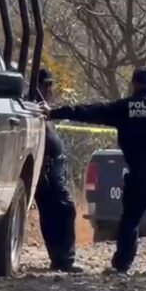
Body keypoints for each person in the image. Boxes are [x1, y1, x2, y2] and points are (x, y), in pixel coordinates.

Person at [46, 67, 146, 275]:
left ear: (134, 85)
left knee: (130, 219)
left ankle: (122, 264)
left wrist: (55, 113)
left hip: (138, 172)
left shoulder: (124, 107)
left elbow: (88, 111)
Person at [33, 68, 82, 273]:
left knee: (54, 212)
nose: (50, 89)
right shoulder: (33, 107)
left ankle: (60, 259)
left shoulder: (43, 108)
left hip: (54, 165)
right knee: (64, 209)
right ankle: (65, 259)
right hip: (47, 167)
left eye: (51, 85)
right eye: (46, 85)